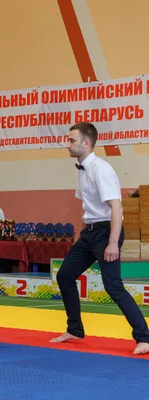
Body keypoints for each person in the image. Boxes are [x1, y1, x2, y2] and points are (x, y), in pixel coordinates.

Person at [50, 122, 149, 356]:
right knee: (65, 275)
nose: (68, 144)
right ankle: (74, 329)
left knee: (113, 286)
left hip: (107, 232)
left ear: (86, 143)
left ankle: (144, 337)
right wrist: (80, 234)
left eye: (72, 140)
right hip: (90, 232)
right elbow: (87, 207)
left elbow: (116, 206)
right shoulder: (81, 169)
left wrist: (113, 242)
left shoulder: (101, 169)